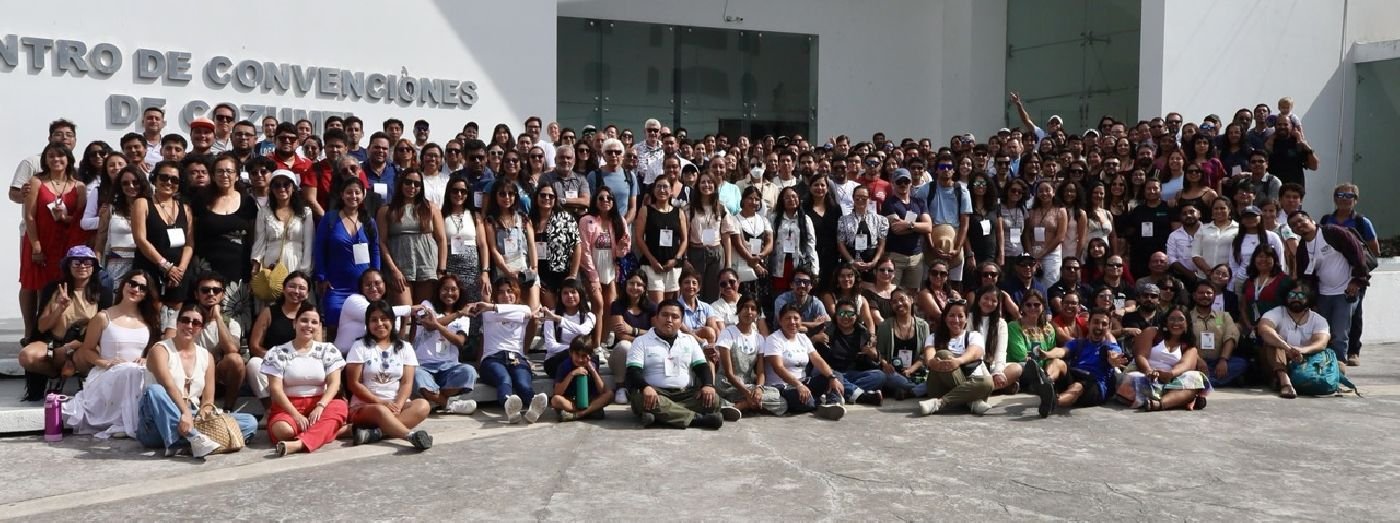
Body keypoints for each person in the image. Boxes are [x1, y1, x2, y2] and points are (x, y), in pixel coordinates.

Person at [137, 303, 256, 458]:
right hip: (158, 422)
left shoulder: (207, 357)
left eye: (196, 323)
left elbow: (207, 400)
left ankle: (186, 443)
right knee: (155, 391)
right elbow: (168, 384)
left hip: (192, 417)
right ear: (177, 323)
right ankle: (194, 438)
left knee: (249, 422)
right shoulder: (160, 350)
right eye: (185, 320)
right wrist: (185, 413)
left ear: (201, 328)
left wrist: (203, 417)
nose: (189, 326)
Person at [62, 269, 157, 438]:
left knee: (138, 372)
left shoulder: (148, 320)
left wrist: (146, 359)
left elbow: (152, 351)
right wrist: (106, 363)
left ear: (146, 294)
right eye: (133, 284)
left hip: (137, 373)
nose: (136, 289)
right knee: (130, 371)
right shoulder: (103, 317)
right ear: (123, 285)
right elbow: (87, 350)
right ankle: (125, 423)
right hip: (106, 373)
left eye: (142, 288)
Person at [17, 246, 111, 396]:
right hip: (54, 345)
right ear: (68, 266)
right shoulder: (54, 289)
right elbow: (41, 327)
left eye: (87, 262)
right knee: (27, 356)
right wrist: (59, 309)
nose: (82, 266)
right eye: (76, 262)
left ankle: (85, 378)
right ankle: (54, 376)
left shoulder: (102, 292)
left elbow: (104, 329)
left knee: (90, 355)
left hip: (84, 345)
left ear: (94, 267)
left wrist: (71, 347)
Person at [263, 303, 350, 456]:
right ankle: (333, 430)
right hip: (287, 407)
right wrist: (296, 415)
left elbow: (334, 383)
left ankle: (299, 444)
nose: (309, 325)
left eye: (314, 322)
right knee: (284, 431)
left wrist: (320, 406)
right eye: (304, 320)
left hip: (320, 404)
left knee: (339, 406)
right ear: (294, 323)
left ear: (319, 326)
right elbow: (275, 389)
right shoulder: (277, 352)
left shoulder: (328, 350)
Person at [345, 300, 434, 450]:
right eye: (374, 320)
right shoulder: (359, 346)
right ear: (368, 324)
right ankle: (409, 435)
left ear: (392, 321)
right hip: (366, 406)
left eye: (384, 319)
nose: (379, 323)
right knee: (381, 411)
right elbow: (354, 383)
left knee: (423, 405)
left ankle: (376, 433)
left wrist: (398, 404)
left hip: (395, 405)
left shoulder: (405, 347)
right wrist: (381, 402)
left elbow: (407, 383)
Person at [625, 299, 725, 429]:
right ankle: (698, 420)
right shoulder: (641, 341)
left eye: (675, 316)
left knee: (714, 399)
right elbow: (633, 371)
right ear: (656, 318)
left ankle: (660, 417)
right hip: (655, 393)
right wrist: (645, 387)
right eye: (664, 315)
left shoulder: (689, 340)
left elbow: (701, 367)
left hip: (685, 394)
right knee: (641, 399)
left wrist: (708, 385)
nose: (669, 320)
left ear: (681, 321)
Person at [22, 143, 87, 340]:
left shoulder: (79, 186)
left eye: (60, 156)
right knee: (40, 288)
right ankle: (35, 335)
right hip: (41, 241)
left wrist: (64, 218)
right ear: (45, 160)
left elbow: (79, 219)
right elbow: (30, 216)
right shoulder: (36, 182)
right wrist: (36, 245)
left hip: (67, 244)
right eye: (51, 156)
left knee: (62, 287)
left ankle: (58, 335)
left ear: (68, 159)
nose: (56, 160)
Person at [1288, 211, 1370, 363]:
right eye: (1293, 225)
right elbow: (1304, 277)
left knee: (1340, 333)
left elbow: (1357, 254)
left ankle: (1339, 366)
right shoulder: (1302, 248)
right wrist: (1311, 301)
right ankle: (1325, 365)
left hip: (1344, 291)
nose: (1298, 225)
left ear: (1311, 219)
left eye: (1301, 221)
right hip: (1322, 295)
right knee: (1322, 332)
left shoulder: (1333, 233)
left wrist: (1357, 281)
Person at [193, 153, 259, 337]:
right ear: (213, 175)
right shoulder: (201, 200)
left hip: (238, 269)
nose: (225, 175)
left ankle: (236, 350)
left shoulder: (248, 202)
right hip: (206, 267)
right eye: (220, 171)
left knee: (236, 319)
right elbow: (192, 234)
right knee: (206, 317)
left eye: (229, 171)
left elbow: (252, 238)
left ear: (237, 175)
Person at [467, 278, 549, 424]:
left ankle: (533, 407)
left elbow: (526, 311)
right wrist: (491, 307)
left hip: (516, 358)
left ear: (516, 294)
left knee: (522, 383)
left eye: (510, 291)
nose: (506, 295)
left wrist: (492, 306)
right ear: (495, 295)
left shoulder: (520, 310)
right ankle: (509, 405)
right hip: (492, 358)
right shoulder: (488, 313)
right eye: (501, 292)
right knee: (504, 378)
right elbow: (524, 313)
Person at [315, 178, 381, 336]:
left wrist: (376, 277)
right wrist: (322, 277)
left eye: (357, 192)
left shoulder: (369, 222)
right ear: (342, 195)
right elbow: (319, 249)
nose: (353, 196)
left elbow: (375, 250)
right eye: (349, 192)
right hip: (335, 285)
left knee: (364, 326)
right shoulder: (330, 219)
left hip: (363, 286)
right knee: (333, 325)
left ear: (363, 195)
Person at [1118, 307, 1212, 411]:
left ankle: (1159, 404)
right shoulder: (1152, 332)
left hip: (1170, 381)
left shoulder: (1189, 347)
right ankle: (1181, 400)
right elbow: (1140, 356)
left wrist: (1169, 374)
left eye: (1181, 319)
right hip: (1144, 374)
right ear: (1166, 322)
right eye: (1172, 319)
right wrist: (1148, 371)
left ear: (1187, 323)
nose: (1176, 323)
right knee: (1134, 379)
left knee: (1195, 378)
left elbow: (1184, 366)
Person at [764, 304, 847, 420]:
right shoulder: (773, 339)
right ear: (780, 321)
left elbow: (817, 359)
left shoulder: (803, 338)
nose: (792, 322)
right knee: (805, 401)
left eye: (796, 318)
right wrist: (798, 385)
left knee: (836, 375)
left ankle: (833, 403)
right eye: (788, 318)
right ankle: (822, 401)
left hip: (803, 382)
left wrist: (831, 378)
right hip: (783, 386)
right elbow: (779, 368)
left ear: (801, 320)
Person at [378, 168, 447, 305]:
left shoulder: (431, 208)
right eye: (408, 182)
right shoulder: (386, 210)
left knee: (423, 311)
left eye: (417, 184)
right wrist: (393, 269)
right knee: (405, 310)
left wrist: (441, 269)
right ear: (401, 183)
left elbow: (441, 239)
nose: (412, 187)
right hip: (400, 267)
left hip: (427, 266)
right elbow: (382, 242)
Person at [412, 275, 479, 414]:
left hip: (449, 366)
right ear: (438, 290)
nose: (449, 293)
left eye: (453, 289)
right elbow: (428, 325)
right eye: (445, 289)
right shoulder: (426, 305)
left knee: (469, 372)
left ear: (459, 292)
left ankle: (434, 399)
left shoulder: (464, 316)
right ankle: (449, 404)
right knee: (416, 375)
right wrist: (458, 314)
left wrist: (438, 325)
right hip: (424, 365)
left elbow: (459, 341)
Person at [915, 299, 994, 416]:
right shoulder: (933, 337)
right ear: (945, 318)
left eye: (960, 316)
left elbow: (975, 352)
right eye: (951, 315)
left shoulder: (974, 336)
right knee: (943, 354)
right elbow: (929, 355)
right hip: (940, 386)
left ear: (966, 319)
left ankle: (940, 403)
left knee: (987, 383)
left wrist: (958, 361)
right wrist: (932, 362)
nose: (956, 320)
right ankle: (971, 401)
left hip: (968, 378)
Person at [1255, 280, 1331, 398]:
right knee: (1273, 345)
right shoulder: (1277, 312)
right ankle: (1285, 382)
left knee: (1339, 366)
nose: (1296, 298)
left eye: (1301, 295)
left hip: (1303, 360)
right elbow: (1264, 329)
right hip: (1276, 359)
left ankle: (1284, 379)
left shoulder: (1318, 320)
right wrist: (1287, 348)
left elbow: (1321, 343)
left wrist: (1301, 350)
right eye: (1291, 295)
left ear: (1308, 298)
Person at [247, 272, 312, 409]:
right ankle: (270, 409)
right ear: (283, 288)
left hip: (301, 363)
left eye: (302, 288)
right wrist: (277, 358)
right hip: (273, 363)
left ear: (307, 293)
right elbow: (254, 346)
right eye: (292, 286)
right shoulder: (269, 312)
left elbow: (317, 345)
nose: (296, 291)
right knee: (254, 364)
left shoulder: (311, 314)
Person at [714, 294, 784, 420]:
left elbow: (761, 372)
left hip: (748, 385)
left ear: (757, 314)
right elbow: (729, 374)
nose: (749, 312)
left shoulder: (759, 338)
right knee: (769, 400)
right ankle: (747, 404)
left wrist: (759, 389)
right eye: (745, 307)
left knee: (780, 399)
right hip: (728, 384)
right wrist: (747, 393)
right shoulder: (728, 333)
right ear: (739, 310)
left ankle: (741, 405)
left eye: (753, 308)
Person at [250, 170, 315, 302]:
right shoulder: (264, 212)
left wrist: (305, 271)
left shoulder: (305, 212)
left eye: (286, 184)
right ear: (271, 189)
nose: (282, 188)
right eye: (277, 185)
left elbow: (309, 243)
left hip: (296, 263)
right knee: (272, 304)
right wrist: (255, 268)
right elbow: (259, 242)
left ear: (293, 187)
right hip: (271, 264)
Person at [1046, 309, 1128, 414]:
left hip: (1095, 385)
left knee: (1077, 386)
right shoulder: (1078, 343)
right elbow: (1062, 351)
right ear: (1088, 324)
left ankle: (1052, 402)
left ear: (1108, 328)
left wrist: (1114, 360)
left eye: (1104, 324)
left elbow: (1114, 354)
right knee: (1058, 363)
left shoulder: (1109, 346)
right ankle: (1046, 382)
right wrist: (1047, 354)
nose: (1099, 327)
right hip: (1076, 374)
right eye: (1096, 322)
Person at [578, 185, 630, 348]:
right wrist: (593, 276)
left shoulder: (619, 221)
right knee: (598, 305)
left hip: (610, 270)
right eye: (601, 198)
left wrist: (621, 248)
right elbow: (584, 249)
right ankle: (595, 345)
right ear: (595, 200)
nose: (605, 201)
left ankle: (602, 341)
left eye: (609, 198)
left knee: (610, 306)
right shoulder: (586, 220)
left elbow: (623, 252)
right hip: (591, 269)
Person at [816, 298, 887, 406]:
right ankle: (861, 395)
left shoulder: (863, 333)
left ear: (856, 316)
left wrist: (874, 355)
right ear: (836, 315)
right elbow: (811, 352)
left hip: (853, 374)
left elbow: (873, 361)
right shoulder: (826, 330)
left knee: (880, 376)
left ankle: (840, 391)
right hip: (832, 372)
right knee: (825, 376)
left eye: (850, 313)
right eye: (841, 313)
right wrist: (815, 339)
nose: (846, 317)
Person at [333, 269, 417, 352]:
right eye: (368, 285)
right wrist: (409, 309)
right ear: (361, 288)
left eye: (377, 283)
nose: (373, 288)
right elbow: (371, 312)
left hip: (373, 356)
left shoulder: (393, 310)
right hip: (344, 356)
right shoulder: (353, 300)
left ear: (384, 285)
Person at [635, 171, 687, 303]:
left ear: (671, 191)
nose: (662, 190)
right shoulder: (645, 210)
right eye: (658, 186)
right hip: (652, 265)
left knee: (669, 305)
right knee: (657, 305)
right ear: (653, 190)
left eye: (665, 187)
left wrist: (676, 259)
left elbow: (684, 240)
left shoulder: (679, 212)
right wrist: (651, 259)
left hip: (672, 266)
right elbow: (639, 238)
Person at [95, 164, 149, 288]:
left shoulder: (151, 207)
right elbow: (100, 241)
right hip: (116, 263)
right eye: (125, 183)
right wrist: (97, 267)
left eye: (135, 182)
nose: (131, 186)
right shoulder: (110, 208)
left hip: (143, 263)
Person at [606, 271, 656, 405]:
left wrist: (633, 330)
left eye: (639, 284)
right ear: (625, 285)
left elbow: (656, 334)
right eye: (631, 283)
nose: (635, 287)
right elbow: (620, 335)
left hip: (644, 354)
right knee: (624, 345)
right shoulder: (617, 305)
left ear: (644, 287)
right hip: (621, 356)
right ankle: (620, 387)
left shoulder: (652, 307)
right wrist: (644, 337)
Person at [684, 170, 733, 302]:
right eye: (703, 182)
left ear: (715, 185)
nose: (706, 185)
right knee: (695, 291)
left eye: (710, 182)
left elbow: (726, 237)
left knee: (714, 292)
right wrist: (685, 258)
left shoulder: (721, 208)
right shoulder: (689, 208)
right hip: (696, 252)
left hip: (716, 253)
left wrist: (728, 263)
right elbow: (685, 236)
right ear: (698, 185)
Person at [441, 176, 491, 306]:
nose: (459, 194)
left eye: (463, 191)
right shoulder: (442, 215)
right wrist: (442, 270)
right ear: (449, 192)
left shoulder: (475, 216)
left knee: (474, 305)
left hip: (472, 269)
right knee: (453, 304)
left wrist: (485, 272)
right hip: (451, 267)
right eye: (455, 191)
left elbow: (483, 245)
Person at [530, 183, 582, 308]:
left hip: (561, 273)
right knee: (549, 311)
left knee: (562, 311)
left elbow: (577, 246)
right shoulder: (529, 220)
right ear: (537, 197)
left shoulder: (565, 218)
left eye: (551, 196)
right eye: (543, 195)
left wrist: (573, 275)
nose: (547, 198)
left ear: (555, 199)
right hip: (539, 274)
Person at [539, 278, 596, 377]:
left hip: (582, 357)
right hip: (557, 358)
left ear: (580, 294)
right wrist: (576, 351)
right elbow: (550, 346)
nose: (569, 296)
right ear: (560, 296)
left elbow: (583, 331)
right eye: (565, 293)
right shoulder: (551, 315)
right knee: (572, 360)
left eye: (573, 292)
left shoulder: (589, 316)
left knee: (593, 361)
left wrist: (559, 320)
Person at [969, 285, 1019, 396]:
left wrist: (998, 372)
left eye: (994, 300)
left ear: (998, 304)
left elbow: (1001, 351)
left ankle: (983, 389)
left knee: (1016, 368)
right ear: (979, 300)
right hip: (973, 367)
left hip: (991, 366)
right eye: (986, 298)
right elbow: (971, 351)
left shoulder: (1001, 323)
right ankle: (995, 388)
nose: (989, 303)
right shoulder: (969, 318)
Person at [550, 338, 612, 422]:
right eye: (577, 354)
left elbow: (602, 391)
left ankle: (578, 414)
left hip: (589, 400)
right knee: (555, 400)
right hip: (571, 401)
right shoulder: (564, 366)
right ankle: (590, 411)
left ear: (589, 356)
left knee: (610, 394)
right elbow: (557, 392)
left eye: (584, 356)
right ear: (571, 353)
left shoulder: (592, 364)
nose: (580, 359)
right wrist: (572, 374)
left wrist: (592, 370)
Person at [837, 185, 889, 281]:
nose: (860, 200)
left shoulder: (881, 220)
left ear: (869, 199)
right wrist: (851, 261)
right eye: (857, 198)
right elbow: (841, 244)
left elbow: (882, 244)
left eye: (864, 198)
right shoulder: (843, 220)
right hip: (850, 262)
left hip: (871, 262)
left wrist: (875, 261)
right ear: (853, 198)